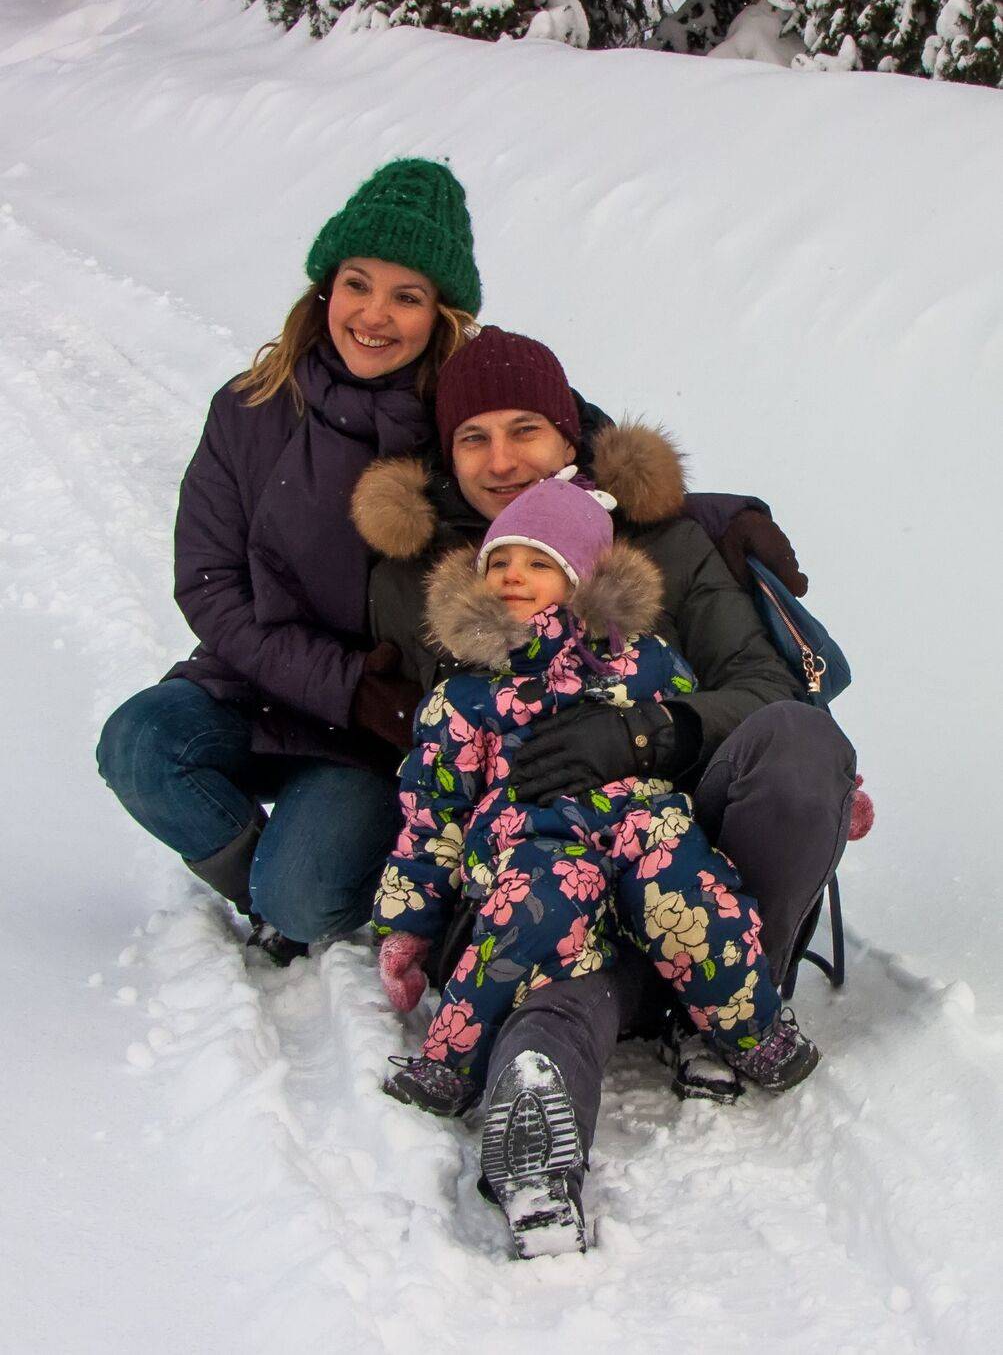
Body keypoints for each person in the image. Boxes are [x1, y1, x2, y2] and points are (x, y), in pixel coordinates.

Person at [352, 326, 856, 1256]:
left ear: (569, 434)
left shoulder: (659, 567)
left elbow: (765, 691)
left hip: (663, 837)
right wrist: (409, 919)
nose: (500, 459)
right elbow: (430, 799)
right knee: (549, 951)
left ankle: (739, 1014)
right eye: (472, 438)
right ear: (444, 455)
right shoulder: (427, 582)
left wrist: (644, 732)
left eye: (524, 430)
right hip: (528, 865)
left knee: (700, 862)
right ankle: (531, 1130)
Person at [96, 158, 481, 962]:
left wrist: (725, 516)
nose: (373, 315)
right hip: (259, 686)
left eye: (406, 296)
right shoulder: (251, 408)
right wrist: (342, 683)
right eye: (356, 284)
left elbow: (578, 458)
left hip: (379, 733)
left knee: (305, 898)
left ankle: (301, 885)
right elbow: (208, 583)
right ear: (324, 288)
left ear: (441, 314)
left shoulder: (467, 422)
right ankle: (259, 885)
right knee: (139, 743)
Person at [374, 472, 817, 1151]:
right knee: (533, 909)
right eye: (499, 561)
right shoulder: (465, 697)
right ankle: (452, 1064)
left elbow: (706, 745)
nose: (512, 575)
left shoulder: (646, 664)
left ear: (581, 580)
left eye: (537, 563)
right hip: (531, 840)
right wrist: (408, 924)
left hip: (638, 819)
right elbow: (432, 816)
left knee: (689, 887)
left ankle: (754, 1032)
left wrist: (830, 786)